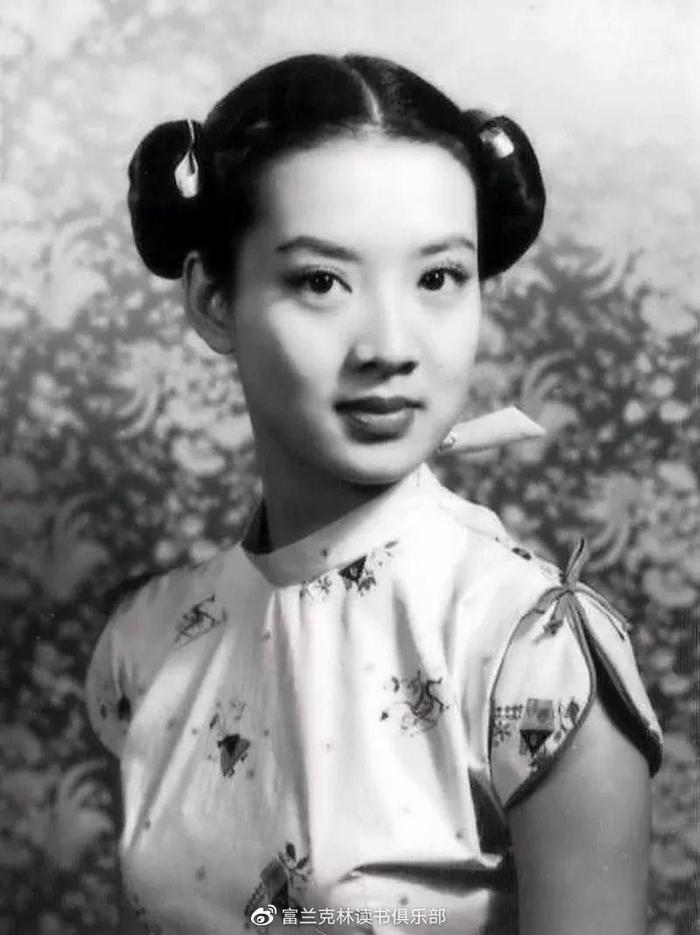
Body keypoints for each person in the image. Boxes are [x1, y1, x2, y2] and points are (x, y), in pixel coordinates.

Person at [85, 53, 663, 935]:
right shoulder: (147, 643)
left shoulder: (532, 657)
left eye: (438, 278)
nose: (391, 345)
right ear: (212, 301)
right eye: (321, 280)